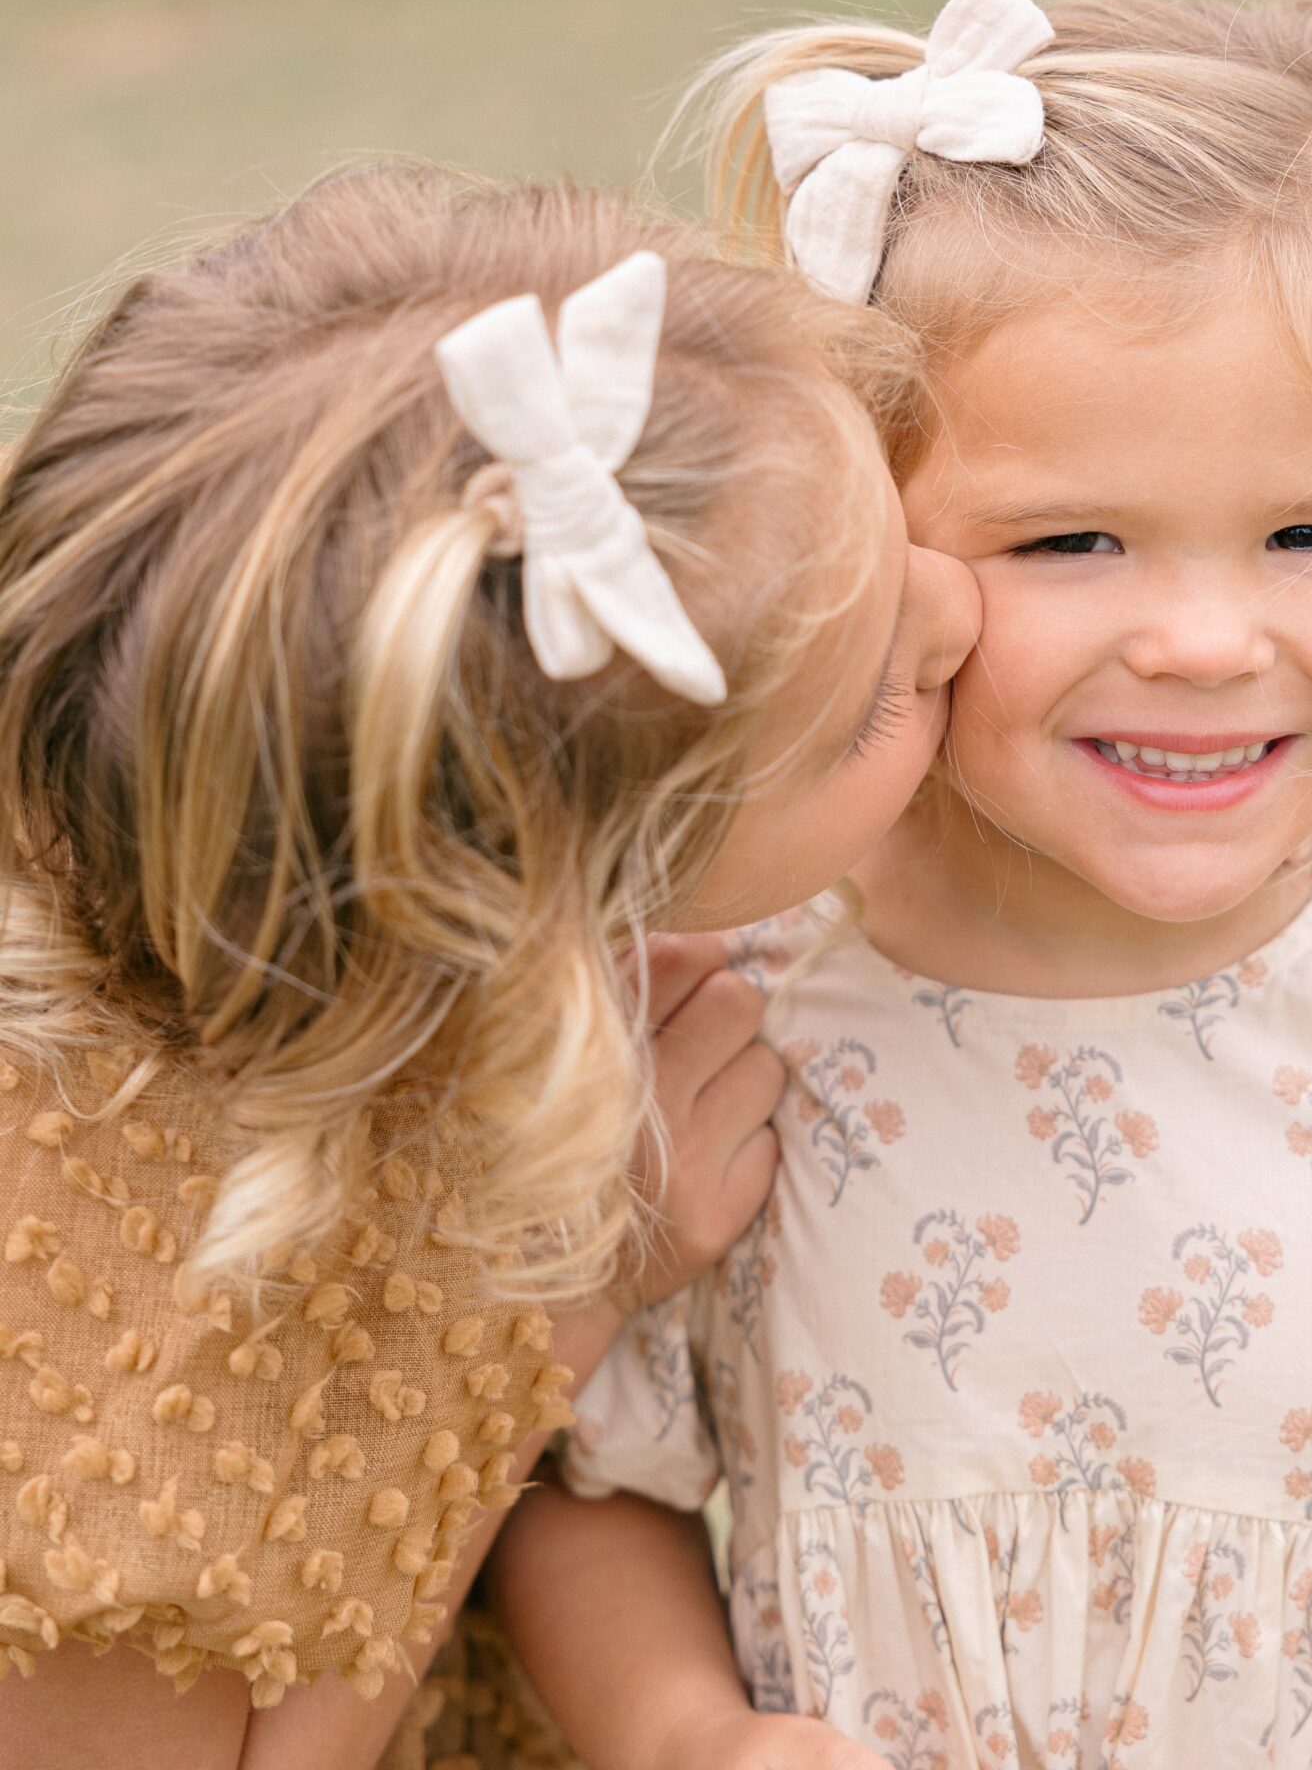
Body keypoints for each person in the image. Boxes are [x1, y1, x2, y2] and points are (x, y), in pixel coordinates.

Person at [495, 0, 1312, 1770]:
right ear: (869, 558)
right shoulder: (730, 1033)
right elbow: (591, 1482)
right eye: (1072, 540)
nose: (1207, 641)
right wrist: (683, 1731)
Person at [0, 161, 986, 1770]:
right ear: (529, 898)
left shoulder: (336, 902)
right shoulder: (94, 1299)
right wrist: (566, 1304)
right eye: (873, 704)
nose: (963, 610)